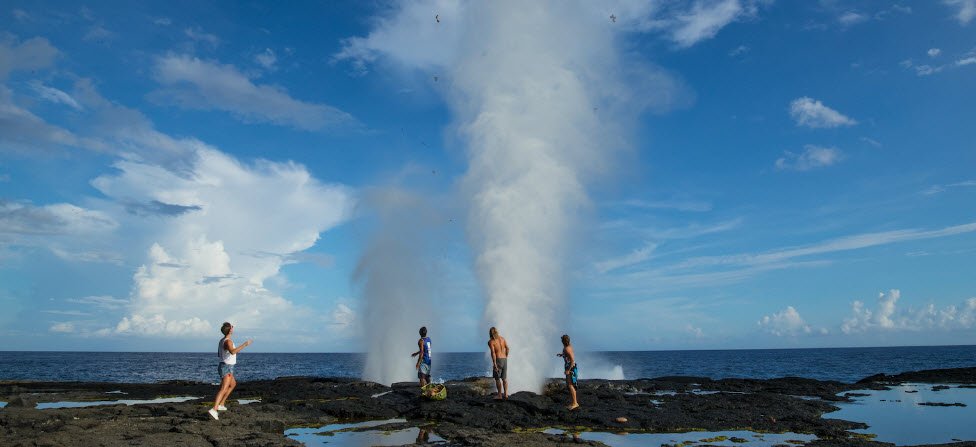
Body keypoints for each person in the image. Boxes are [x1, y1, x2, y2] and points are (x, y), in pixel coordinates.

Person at [208, 322, 252, 420]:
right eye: (232, 327)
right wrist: (245, 344)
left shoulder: (222, 340)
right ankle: (214, 409)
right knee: (223, 388)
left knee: (232, 384)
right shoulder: (228, 341)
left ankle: (221, 404)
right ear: (230, 330)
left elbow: (219, 354)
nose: (233, 328)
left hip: (225, 366)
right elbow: (233, 351)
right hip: (226, 367)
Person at [556, 334, 579, 410]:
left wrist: (568, 370)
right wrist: (561, 355)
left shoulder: (567, 349)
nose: (561, 341)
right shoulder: (567, 347)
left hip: (571, 368)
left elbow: (572, 360)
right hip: (569, 366)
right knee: (570, 385)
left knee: (570, 385)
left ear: (563, 341)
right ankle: (574, 402)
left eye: (562, 340)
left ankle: (575, 403)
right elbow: (567, 356)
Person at [487, 326, 509, 399]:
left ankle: (499, 395)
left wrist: (494, 363)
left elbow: (493, 353)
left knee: (497, 378)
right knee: (504, 378)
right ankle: (506, 394)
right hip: (504, 359)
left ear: (490, 333)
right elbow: (507, 348)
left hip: (498, 360)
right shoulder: (502, 338)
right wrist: (506, 355)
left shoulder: (491, 341)